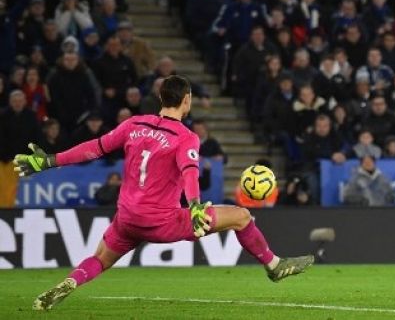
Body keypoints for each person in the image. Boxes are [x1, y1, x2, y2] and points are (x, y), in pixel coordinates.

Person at [15, 75, 313, 311]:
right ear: (187, 100)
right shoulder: (185, 137)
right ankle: (274, 266)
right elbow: (190, 172)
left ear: (160, 98)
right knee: (241, 216)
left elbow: (94, 148)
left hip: (128, 217)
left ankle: (69, 281)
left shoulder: (134, 124)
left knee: (101, 259)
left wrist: (49, 160)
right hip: (162, 221)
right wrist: (196, 206)